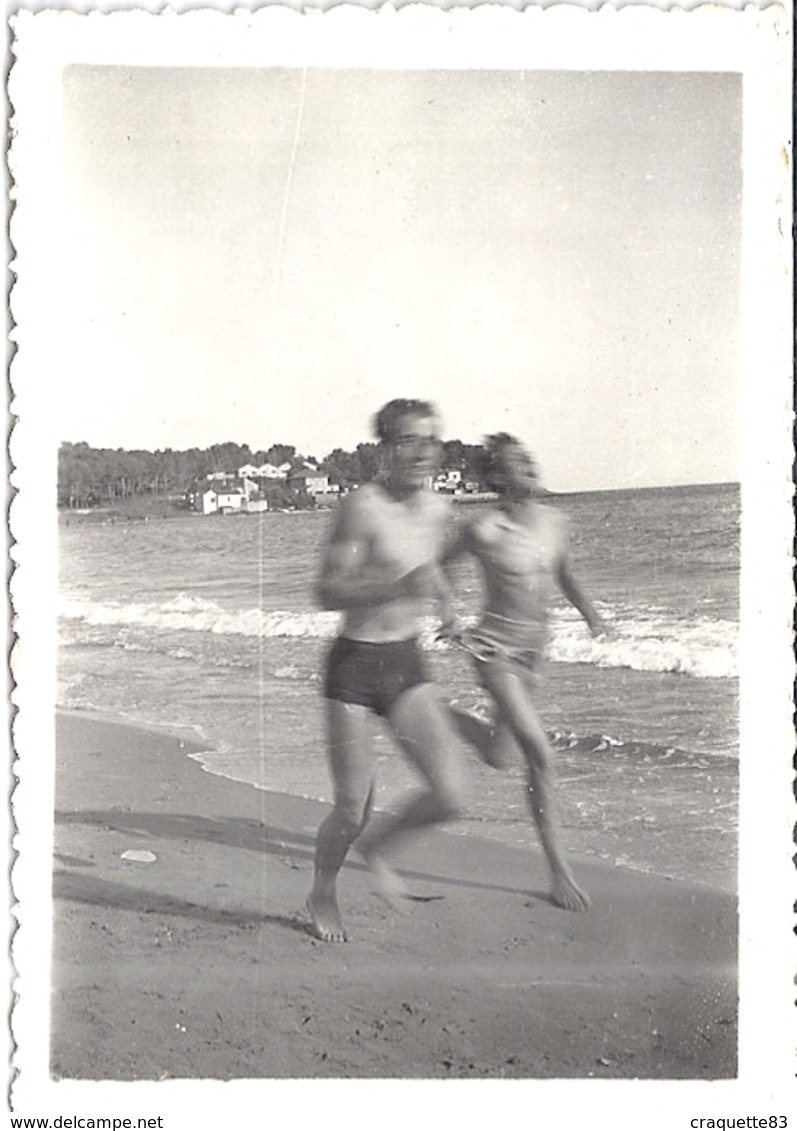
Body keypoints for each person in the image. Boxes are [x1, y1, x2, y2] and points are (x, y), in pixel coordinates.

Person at [307, 398, 464, 943]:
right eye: (408, 440)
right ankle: (323, 889)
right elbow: (325, 590)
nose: (423, 451)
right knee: (351, 809)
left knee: (450, 794)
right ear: (384, 448)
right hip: (354, 665)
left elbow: (434, 572)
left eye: (431, 439)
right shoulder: (361, 507)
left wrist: (449, 610)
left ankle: (378, 850)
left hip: (406, 661)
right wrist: (398, 587)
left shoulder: (441, 510)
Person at [443, 433, 606, 912]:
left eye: (530, 459)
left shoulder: (557, 521)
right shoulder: (484, 528)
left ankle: (435, 712)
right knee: (541, 755)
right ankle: (559, 873)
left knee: (500, 754)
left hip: (536, 652)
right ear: (497, 477)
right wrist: (450, 616)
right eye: (518, 463)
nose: (531, 466)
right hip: (494, 651)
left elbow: (564, 573)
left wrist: (591, 614)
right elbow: (441, 567)